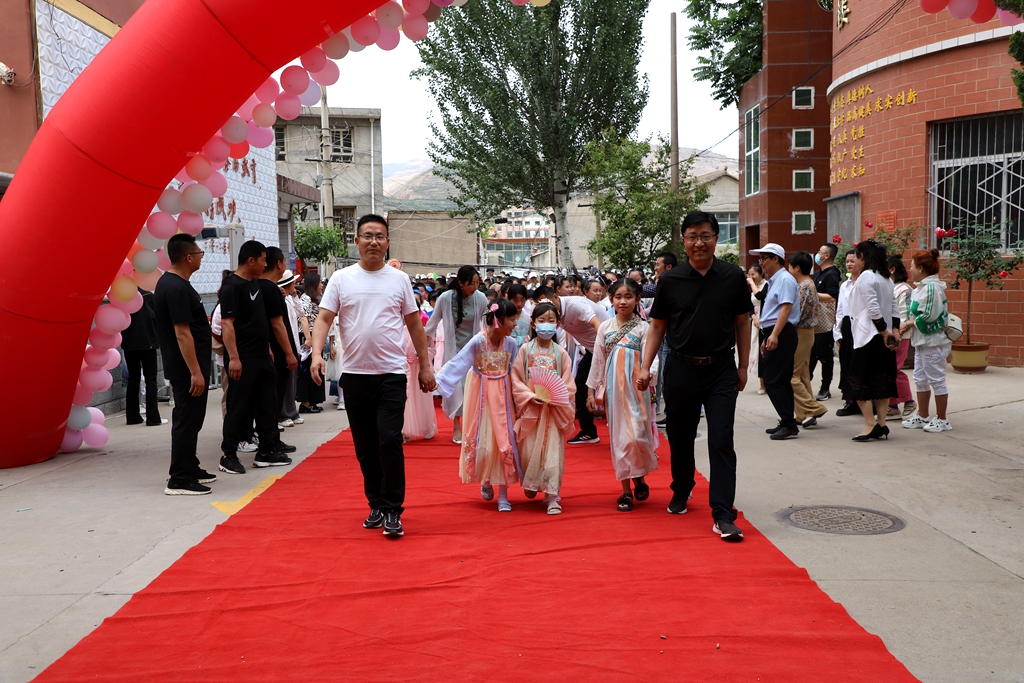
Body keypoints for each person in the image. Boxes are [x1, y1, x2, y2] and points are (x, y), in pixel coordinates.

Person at [311, 214, 436, 538]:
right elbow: (324, 318)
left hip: (391, 375)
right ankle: (376, 504)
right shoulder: (341, 278)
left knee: (390, 440)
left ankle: (394, 509)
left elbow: (414, 324)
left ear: (387, 242)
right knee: (366, 447)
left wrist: (425, 365)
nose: (373, 242)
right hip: (354, 375)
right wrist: (316, 354)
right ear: (356, 241)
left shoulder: (398, 281)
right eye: (367, 236)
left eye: (380, 236)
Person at [638, 211, 751, 541]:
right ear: (684, 240)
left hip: (720, 371)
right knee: (681, 435)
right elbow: (658, 326)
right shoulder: (671, 281)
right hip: (681, 368)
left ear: (716, 238)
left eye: (705, 235)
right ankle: (682, 487)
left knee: (720, 439)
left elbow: (742, 322)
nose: (699, 242)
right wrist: (646, 367)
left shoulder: (732, 277)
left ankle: (722, 512)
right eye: (692, 236)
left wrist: (743, 366)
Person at [436, 298, 521, 512]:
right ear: (499, 320)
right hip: (481, 395)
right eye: (512, 319)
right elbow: (459, 363)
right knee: (483, 436)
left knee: (503, 437)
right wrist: (438, 381)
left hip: (503, 395)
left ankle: (503, 494)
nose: (515, 324)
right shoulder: (477, 341)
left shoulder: (511, 344)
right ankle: (485, 478)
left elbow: (518, 372)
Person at [587, 278, 659, 512]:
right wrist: (591, 390)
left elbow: (652, 358)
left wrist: (649, 375)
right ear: (611, 299)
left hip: (637, 390)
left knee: (637, 435)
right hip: (614, 391)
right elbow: (597, 360)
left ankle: (639, 476)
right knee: (620, 439)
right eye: (618, 297)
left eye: (628, 296)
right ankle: (626, 491)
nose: (622, 301)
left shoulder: (644, 328)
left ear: (638, 299)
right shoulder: (605, 329)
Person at [219, 240, 291, 475]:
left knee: (268, 405)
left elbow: (260, 320)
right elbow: (227, 325)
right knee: (238, 408)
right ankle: (228, 454)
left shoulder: (257, 286)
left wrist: (268, 348)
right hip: (243, 358)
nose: (264, 264)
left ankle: (267, 451)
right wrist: (234, 358)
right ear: (251, 260)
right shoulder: (233, 287)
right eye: (262, 260)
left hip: (262, 357)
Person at [152, 234, 215, 495]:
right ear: (189, 257)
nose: (201, 257)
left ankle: (190, 465)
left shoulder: (177, 284)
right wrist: (196, 372)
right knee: (186, 420)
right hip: (187, 369)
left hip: (190, 366)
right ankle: (179, 478)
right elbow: (182, 333)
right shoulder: (175, 287)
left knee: (192, 419)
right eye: (199, 253)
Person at [510, 302, 574, 515]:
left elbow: (567, 382)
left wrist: (557, 397)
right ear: (533, 324)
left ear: (558, 324)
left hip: (553, 410)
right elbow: (516, 377)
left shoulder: (561, 352)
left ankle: (552, 495)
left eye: (551, 321)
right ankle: (532, 482)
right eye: (542, 321)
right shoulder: (524, 350)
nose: (546, 325)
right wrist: (529, 396)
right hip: (532, 408)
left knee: (552, 451)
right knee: (528, 449)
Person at [424, 265, 489, 444]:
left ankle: (473, 425)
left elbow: (487, 324)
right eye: (471, 283)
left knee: (473, 386)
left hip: (475, 350)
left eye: (477, 283)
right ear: (460, 283)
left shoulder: (481, 298)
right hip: (454, 351)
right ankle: (457, 424)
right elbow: (433, 321)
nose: (475, 287)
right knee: (455, 386)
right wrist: (420, 342)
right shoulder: (445, 298)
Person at [847, 240, 899, 441]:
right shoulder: (886, 278)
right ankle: (882, 423)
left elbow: (872, 308)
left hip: (869, 336)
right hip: (882, 335)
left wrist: (884, 332)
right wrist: (893, 331)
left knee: (858, 381)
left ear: (862, 257)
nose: (855, 261)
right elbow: (894, 308)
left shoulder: (866, 277)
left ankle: (870, 423)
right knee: (881, 380)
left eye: (856, 257)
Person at [548, 283, 611, 445]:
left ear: (556, 296)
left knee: (614, 391)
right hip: (593, 351)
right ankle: (589, 432)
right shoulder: (553, 314)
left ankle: (633, 435)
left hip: (609, 347)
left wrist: (607, 353)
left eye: (549, 304)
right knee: (581, 387)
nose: (548, 310)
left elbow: (599, 325)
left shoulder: (576, 305)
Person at [750, 243, 801, 440]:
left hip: (782, 331)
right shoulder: (774, 281)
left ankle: (788, 422)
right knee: (779, 379)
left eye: (764, 259)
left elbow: (786, 308)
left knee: (773, 379)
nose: (760, 263)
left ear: (776, 259)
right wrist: (768, 335)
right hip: (774, 331)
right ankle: (787, 420)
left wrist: (774, 335)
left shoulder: (785, 280)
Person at [901, 249, 953, 433]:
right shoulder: (921, 288)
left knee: (936, 379)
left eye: (912, 265)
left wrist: (908, 324)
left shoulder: (931, 288)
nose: (910, 268)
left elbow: (929, 316)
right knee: (920, 379)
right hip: (922, 342)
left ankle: (942, 419)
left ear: (921, 267)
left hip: (934, 342)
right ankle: (923, 415)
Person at [260, 247, 299, 433]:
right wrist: (289, 353)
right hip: (277, 354)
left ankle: (271, 438)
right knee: (273, 399)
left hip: (270, 353)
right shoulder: (269, 289)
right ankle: (270, 442)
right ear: (279, 264)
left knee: (271, 399)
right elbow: (277, 325)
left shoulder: (263, 288)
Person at [788, 252, 827, 428]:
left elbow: (798, 312)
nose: (788, 270)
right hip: (806, 332)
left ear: (797, 268)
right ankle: (803, 413)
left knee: (792, 376)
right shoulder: (807, 284)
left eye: (789, 266)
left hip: (801, 332)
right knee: (802, 374)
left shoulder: (804, 286)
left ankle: (814, 408)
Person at [121, 287, 164, 426]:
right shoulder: (149, 296)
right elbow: (156, 318)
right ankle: (153, 418)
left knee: (133, 379)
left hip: (129, 343)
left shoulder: (123, 297)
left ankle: (132, 417)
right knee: (151, 379)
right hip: (148, 342)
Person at [810, 243, 842, 401]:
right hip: (813, 320)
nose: (817, 254)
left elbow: (833, 297)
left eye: (819, 252)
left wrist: (812, 293)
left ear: (826, 256)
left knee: (824, 355)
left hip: (825, 321)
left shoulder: (832, 274)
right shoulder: (818, 273)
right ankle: (805, 383)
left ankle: (825, 387)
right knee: (810, 353)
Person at [887, 255, 916, 419]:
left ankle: (909, 400)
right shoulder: (889, 287)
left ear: (892, 270)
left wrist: (897, 333)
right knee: (889, 370)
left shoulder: (903, 290)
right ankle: (892, 406)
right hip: (891, 334)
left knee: (894, 369)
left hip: (899, 336)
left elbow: (905, 316)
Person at [834, 251, 861, 417]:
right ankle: (850, 401)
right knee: (847, 364)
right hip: (846, 326)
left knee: (859, 364)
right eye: (847, 261)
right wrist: (837, 332)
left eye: (853, 261)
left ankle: (864, 401)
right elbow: (840, 310)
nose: (849, 264)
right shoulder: (844, 285)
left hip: (860, 326)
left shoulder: (865, 283)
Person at [277, 270, 304, 426]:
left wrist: (294, 295)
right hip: (288, 344)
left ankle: (292, 411)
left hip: (295, 343)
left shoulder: (290, 299)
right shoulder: (282, 301)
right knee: (285, 383)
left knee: (293, 382)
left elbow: (301, 312)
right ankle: (283, 414)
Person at [297, 273, 325, 413]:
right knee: (306, 370)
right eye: (320, 282)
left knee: (315, 369)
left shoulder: (316, 298)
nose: (322, 285)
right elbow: (303, 319)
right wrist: (308, 338)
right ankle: (306, 402)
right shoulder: (305, 298)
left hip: (315, 336)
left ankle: (313, 401)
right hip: (308, 337)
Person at [745, 264, 767, 394]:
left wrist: (751, 283)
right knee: (757, 351)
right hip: (756, 322)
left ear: (761, 274)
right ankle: (761, 383)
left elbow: (759, 296)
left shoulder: (766, 285)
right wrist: (753, 317)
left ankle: (768, 382)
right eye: (749, 274)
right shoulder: (752, 287)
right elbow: (749, 305)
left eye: (753, 274)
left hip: (766, 321)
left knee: (765, 351)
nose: (751, 277)